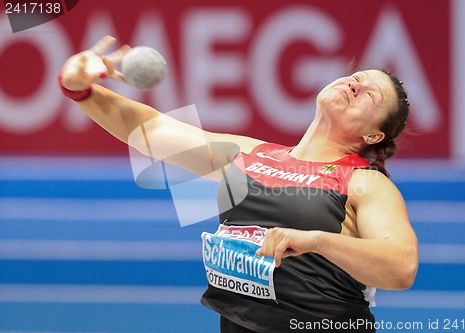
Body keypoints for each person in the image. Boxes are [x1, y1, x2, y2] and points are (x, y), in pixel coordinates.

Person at [59, 36, 418, 333]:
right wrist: (80, 88)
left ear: (374, 134)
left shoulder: (364, 183)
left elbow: (401, 267)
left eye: (371, 94)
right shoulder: (247, 154)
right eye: (357, 76)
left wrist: (316, 240)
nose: (356, 83)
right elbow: (150, 131)